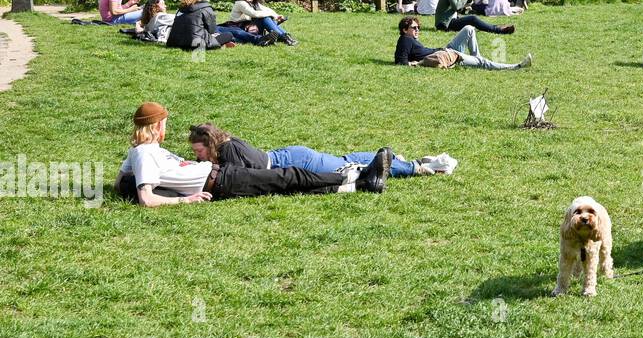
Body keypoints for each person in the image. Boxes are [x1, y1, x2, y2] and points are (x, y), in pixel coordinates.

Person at [114, 102, 389, 206]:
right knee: (288, 177)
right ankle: (360, 178)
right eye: (165, 123)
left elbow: (121, 182)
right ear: (157, 125)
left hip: (220, 177)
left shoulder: (143, 154)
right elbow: (146, 198)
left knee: (286, 185)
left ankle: (354, 184)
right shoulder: (144, 153)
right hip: (220, 181)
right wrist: (187, 200)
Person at [188, 123, 448, 179]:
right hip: (290, 156)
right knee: (345, 160)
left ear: (210, 144)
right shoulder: (228, 144)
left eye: (199, 151)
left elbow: (240, 177)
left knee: (352, 170)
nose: (197, 156)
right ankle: (392, 157)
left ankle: (418, 166)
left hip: (298, 161)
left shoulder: (229, 151)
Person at [394, 16, 531, 70]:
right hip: (448, 56)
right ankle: (515, 66)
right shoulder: (405, 40)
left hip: (446, 50)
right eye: (414, 28)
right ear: (405, 30)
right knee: (483, 62)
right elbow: (401, 61)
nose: (417, 30)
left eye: (418, 27)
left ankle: (477, 58)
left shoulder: (410, 39)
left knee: (469, 28)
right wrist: (415, 64)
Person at [224, 0, 297, 46]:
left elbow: (267, 10)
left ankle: (285, 36)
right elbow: (254, 14)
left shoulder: (254, 4)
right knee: (264, 18)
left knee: (268, 18)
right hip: (238, 28)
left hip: (249, 27)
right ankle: (284, 38)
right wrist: (272, 15)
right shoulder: (240, 3)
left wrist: (277, 16)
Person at [435, 0, 516, 35]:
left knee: (473, 23)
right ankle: (497, 30)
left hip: (449, 21)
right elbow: (456, 7)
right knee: (472, 19)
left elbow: (456, 9)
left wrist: (466, 5)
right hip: (444, 24)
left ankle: (497, 27)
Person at [166, 0, 237, 50]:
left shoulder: (180, 9)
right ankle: (223, 44)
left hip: (175, 42)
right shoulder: (205, 8)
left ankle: (222, 45)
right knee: (229, 35)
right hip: (196, 43)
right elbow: (211, 30)